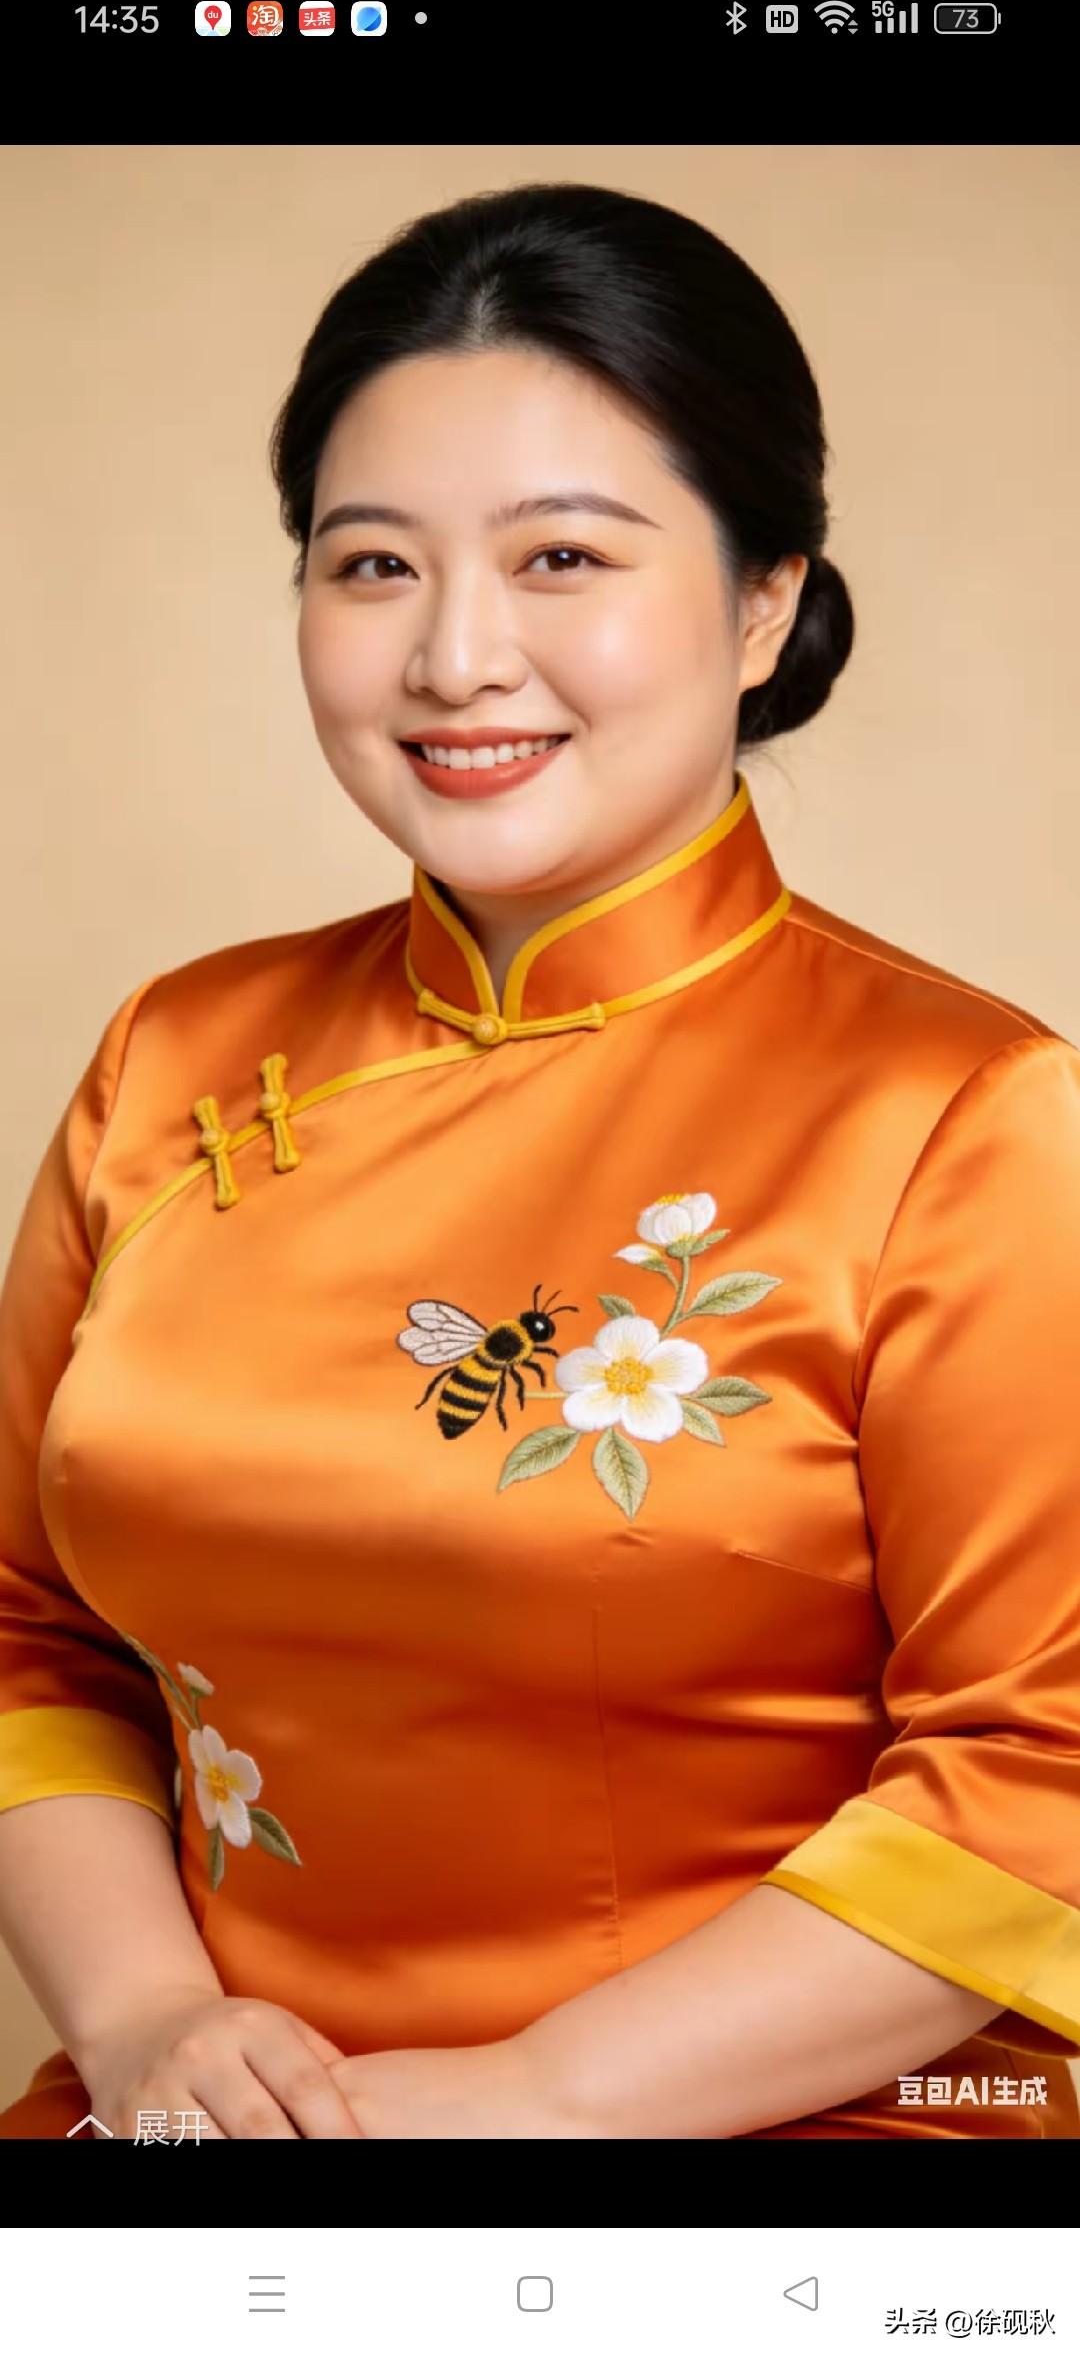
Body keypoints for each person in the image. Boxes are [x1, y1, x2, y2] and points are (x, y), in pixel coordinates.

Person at [0, 179, 1077, 2141]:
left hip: (798, 2132)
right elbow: (28, 1629)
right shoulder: (174, 1062)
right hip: (216, 2121)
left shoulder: (963, 1115)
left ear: (764, 601)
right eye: (373, 565)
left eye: (562, 556)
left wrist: (538, 2100)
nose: (455, 656)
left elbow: (1045, 1765)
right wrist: (149, 2016)